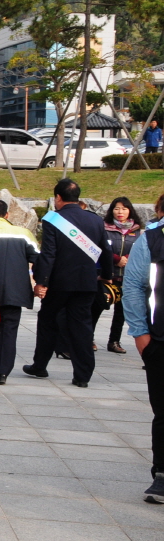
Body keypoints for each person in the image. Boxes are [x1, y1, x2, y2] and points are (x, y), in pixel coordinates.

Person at [25, 179, 113, 388]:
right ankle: (82, 375)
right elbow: (105, 250)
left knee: (48, 322)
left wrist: (41, 281)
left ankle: (40, 365)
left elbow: (49, 254)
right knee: (82, 326)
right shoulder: (95, 220)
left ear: (58, 197)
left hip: (59, 283)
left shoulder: (54, 220)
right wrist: (107, 275)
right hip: (86, 282)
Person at [120, 192, 164, 503]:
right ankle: (162, 474)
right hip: (160, 339)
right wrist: (140, 333)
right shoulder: (152, 239)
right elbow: (133, 284)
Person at [0, 199, 38, 384]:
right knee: (9, 331)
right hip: (15, 291)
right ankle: (2, 372)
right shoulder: (24, 234)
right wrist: (41, 283)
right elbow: (38, 259)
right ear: (7, 215)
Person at [99, 197, 141, 353]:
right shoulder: (104, 228)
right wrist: (116, 259)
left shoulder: (136, 230)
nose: (120, 212)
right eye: (117, 209)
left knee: (121, 312)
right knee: (98, 307)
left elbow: (140, 249)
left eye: (124, 208)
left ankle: (114, 341)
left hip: (127, 277)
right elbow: (101, 248)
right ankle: (89, 339)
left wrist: (127, 259)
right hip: (107, 275)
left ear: (129, 210)